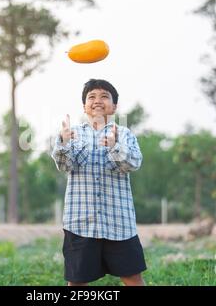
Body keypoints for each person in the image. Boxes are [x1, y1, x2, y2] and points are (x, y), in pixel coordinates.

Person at [51, 78, 147, 286]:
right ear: (84, 106)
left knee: (133, 278)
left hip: (119, 222)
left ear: (114, 106)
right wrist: (64, 142)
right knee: (77, 281)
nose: (97, 100)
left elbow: (133, 163)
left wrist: (114, 146)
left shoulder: (124, 134)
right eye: (91, 97)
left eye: (105, 96)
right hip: (80, 222)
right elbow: (65, 165)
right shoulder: (73, 134)